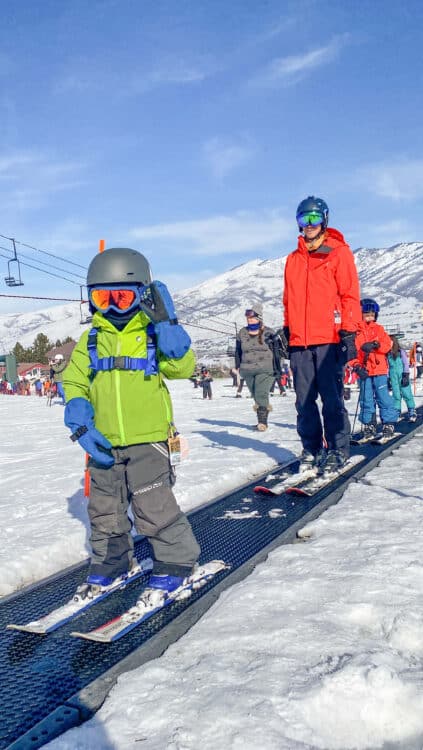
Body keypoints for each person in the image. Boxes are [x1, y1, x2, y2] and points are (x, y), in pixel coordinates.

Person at [63, 246, 200, 602]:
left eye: (122, 298)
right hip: (104, 441)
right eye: (102, 298)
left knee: (153, 506)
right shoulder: (91, 338)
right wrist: (77, 409)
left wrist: (168, 328)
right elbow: (74, 380)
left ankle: (175, 562)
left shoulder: (152, 334)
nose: (112, 308)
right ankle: (112, 563)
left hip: (149, 439)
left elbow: (182, 369)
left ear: (142, 295)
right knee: (104, 509)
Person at [283, 196, 361, 473]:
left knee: (331, 399)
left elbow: (350, 295)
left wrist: (349, 332)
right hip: (300, 343)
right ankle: (312, 448)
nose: (310, 225)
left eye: (315, 218)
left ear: (325, 219)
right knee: (303, 401)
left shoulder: (338, 253)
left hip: (328, 339)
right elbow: (288, 300)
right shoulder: (292, 260)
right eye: (304, 219)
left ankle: (338, 448)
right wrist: (287, 329)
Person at [351, 298, 398, 439]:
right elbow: (352, 353)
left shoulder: (379, 329)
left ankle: (388, 423)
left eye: (372, 315)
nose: (369, 318)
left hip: (379, 370)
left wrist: (376, 344)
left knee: (383, 397)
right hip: (364, 371)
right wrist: (356, 366)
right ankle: (369, 424)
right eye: (366, 315)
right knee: (366, 399)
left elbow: (387, 344)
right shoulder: (355, 333)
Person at [235, 304, 286, 430]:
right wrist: (237, 366)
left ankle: (262, 423)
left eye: (252, 318)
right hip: (247, 369)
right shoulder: (242, 332)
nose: (249, 320)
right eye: (248, 318)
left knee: (261, 393)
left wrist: (278, 368)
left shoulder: (269, 332)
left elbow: (277, 351)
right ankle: (262, 415)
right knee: (255, 395)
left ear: (259, 318)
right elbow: (238, 351)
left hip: (265, 367)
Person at [387, 335, 417, 422]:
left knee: (406, 392)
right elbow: (388, 367)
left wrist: (406, 374)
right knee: (396, 394)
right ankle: (397, 411)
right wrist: (388, 378)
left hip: (402, 374)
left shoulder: (400, 352)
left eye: (390, 341)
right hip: (393, 376)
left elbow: (405, 363)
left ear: (394, 342)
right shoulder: (388, 354)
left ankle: (411, 410)